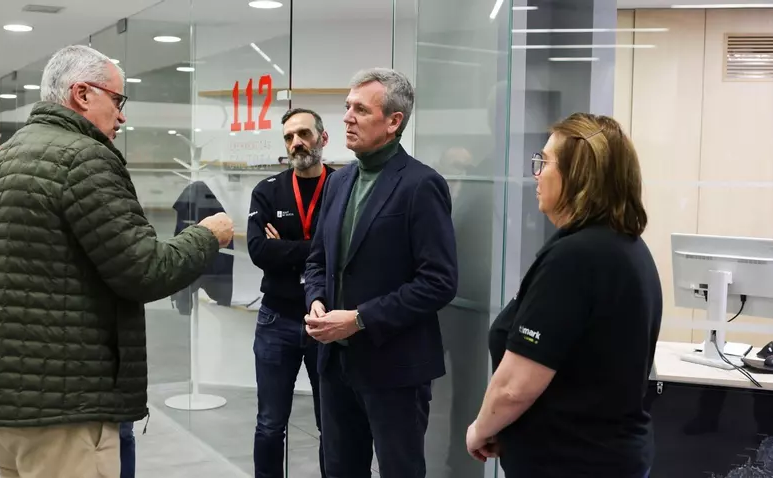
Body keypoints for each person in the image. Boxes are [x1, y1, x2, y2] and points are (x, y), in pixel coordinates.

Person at [0, 45, 234, 478]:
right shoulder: (84, 158)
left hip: (5, 401)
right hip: (66, 409)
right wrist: (207, 235)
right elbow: (145, 270)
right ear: (82, 93)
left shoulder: (1, 161)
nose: (122, 116)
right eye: (117, 99)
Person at [466, 113, 662, 478]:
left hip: (571, 460)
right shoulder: (625, 246)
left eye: (544, 162)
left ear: (579, 175)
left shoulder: (576, 258)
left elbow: (515, 388)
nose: (536, 174)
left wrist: (481, 428)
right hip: (606, 454)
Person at [304, 68, 458, 477]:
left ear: (394, 121)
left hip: (396, 369)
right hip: (335, 367)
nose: (347, 118)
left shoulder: (422, 185)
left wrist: (359, 319)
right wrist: (316, 299)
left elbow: (439, 282)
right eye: (347, 107)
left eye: (360, 109)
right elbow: (318, 260)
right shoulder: (338, 182)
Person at [247, 108, 334, 478]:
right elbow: (258, 250)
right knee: (270, 423)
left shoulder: (343, 186)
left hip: (328, 321)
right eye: (288, 137)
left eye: (304, 134)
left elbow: (349, 251)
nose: (296, 142)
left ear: (323, 138)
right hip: (277, 319)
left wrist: (286, 247)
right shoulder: (267, 190)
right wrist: (319, 247)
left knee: (331, 422)